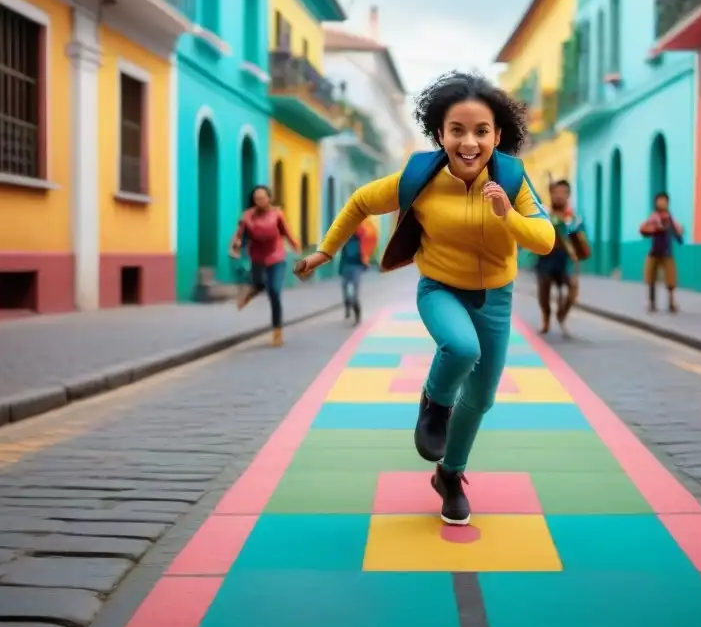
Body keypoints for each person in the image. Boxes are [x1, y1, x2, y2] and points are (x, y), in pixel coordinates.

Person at [294, 71, 555, 526]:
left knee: (481, 398)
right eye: (457, 130)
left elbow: (545, 238)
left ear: (497, 135)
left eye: (481, 131)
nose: (469, 142)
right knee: (461, 348)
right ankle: (434, 401)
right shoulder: (422, 176)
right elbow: (359, 201)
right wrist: (325, 250)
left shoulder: (511, 178)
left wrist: (507, 214)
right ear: (440, 134)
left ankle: (449, 475)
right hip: (440, 288)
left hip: (496, 295)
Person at [229, 185, 300, 346]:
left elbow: (287, 233)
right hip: (258, 257)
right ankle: (249, 293)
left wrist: (297, 248)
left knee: (274, 291)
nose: (259, 201)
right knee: (259, 284)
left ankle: (277, 331)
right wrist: (235, 247)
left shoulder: (277, 215)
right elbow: (239, 236)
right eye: (256, 198)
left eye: (262, 198)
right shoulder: (247, 217)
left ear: (269, 198)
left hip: (276, 257)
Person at [534, 179, 585, 337]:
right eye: (555, 192)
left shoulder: (573, 219)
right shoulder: (544, 213)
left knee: (573, 291)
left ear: (568, 195)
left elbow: (579, 240)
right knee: (544, 290)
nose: (559, 196)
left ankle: (561, 314)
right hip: (546, 258)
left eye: (563, 192)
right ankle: (546, 318)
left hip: (566, 260)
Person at [639, 192, 684, 313]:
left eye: (664, 201)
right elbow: (643, 229)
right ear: (656, 202)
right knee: (650, 278)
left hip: (667, 252)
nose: (662, 203)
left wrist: (679, 234)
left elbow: (677, 231)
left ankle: (671, 303)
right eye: (660, 200)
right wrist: (653, 228)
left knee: (671, 279)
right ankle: (652, 303)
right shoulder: (653, 217)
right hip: (654, 252)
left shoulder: (670, 218)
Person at [339, 219, 377, 325]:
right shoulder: (346, 239)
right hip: (346, 266)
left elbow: (366, 251)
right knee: (345, 290)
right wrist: (340, 269)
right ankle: (347, 307)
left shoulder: (362, 238)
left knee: (355, 294)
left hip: (356, 267)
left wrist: (365, 261)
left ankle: (357, 316)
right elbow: (343, 256)